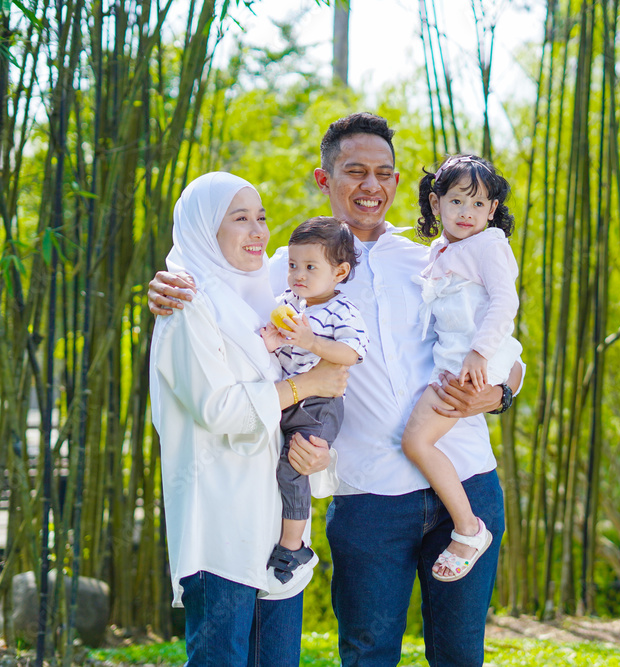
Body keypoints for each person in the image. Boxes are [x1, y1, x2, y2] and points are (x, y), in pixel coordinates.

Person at [149, 113, 523, 667]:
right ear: (325, 180)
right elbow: (218, 296)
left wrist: (500, 394)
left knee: (461, 653)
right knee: (368, 654)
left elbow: (504, 341)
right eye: (355, 172)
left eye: (385, 173)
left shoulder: (436, 256)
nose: (372, 186)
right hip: (366, 495)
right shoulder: (281, 269)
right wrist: (167, 282)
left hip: (464, 477)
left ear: (399, 183)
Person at [149, 172, 347, 666]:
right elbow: (221, 410)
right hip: (221, 523)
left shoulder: (273, 297)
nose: (258, 230)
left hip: (280, 530)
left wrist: (318, 451)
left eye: (261, 217)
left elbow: (299, 411)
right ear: (203, 230)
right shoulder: (186, 305)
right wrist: (309, 384)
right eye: (240, 219)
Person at [400, 154, 522, 583]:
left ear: (492, 210)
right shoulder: (441, 250)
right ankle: (466, 525)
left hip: (467, 365)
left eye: (477, 204)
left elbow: (506, 302)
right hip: (456, 363)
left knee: (416, 442)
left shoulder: (489, 245)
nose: (466, 213)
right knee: (420, 443)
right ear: (436, 204)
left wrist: (479, 353)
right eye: (456, 202)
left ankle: (469, 529)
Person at [260, 216, 369, 590]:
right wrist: (272, 340)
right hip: (290, 394)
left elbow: (351, 353)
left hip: (320, 405)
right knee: (271, 459)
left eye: (310, 267)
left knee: (294, 465)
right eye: (292, 265)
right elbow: (274, 336)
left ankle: (294, 544)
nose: (298, 275)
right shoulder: (289, 300)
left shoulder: (343, 311)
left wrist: (310, 342)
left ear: (339, 272)